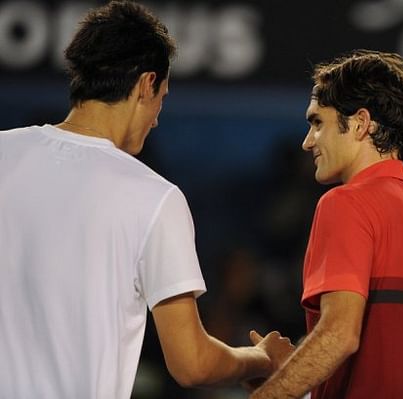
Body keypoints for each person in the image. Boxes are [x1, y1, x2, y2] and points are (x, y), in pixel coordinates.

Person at [0, 1, 293, 398]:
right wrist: (261, 359)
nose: (156, 118)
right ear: (145, 84)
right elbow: (192, 364)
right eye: (162, 98)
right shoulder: (155, 198)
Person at [250, 50, 403, 399]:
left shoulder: (344, 204)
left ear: (360, 123)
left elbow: (340, 336)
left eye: (317, 123)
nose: (307, 141)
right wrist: (295, 369)